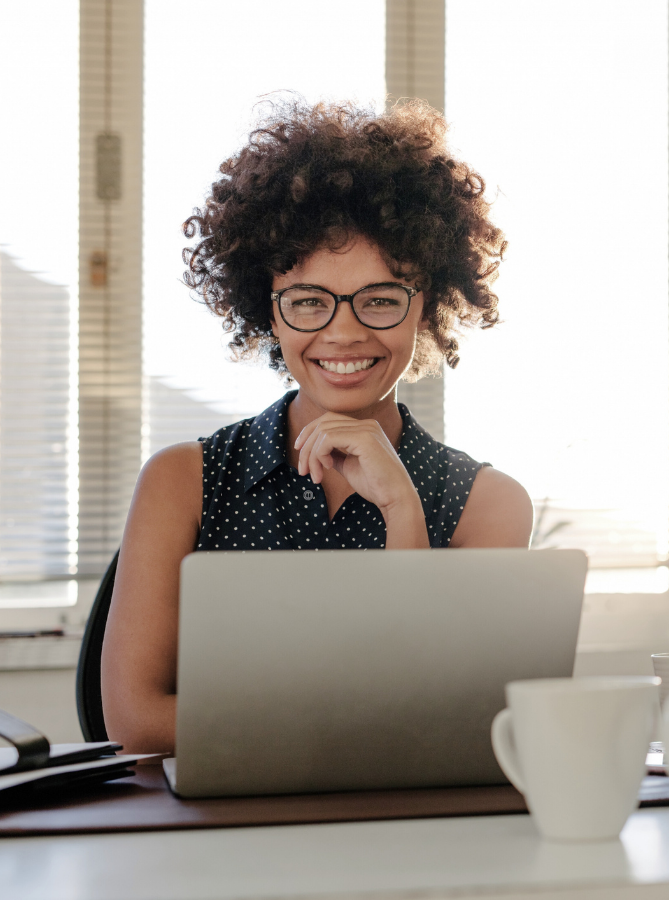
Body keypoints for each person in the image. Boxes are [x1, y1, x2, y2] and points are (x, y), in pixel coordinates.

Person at [102, 98, 533, 753]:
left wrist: (402, 512)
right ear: (267, 311)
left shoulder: (489, 505)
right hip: (216, 832)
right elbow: (135, 720)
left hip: (403, 832)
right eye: (308, 301)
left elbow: (446, 712)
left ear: (426, 308)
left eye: (380, 299)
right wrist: (352, 724)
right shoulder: (181, 481)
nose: (343, 331)